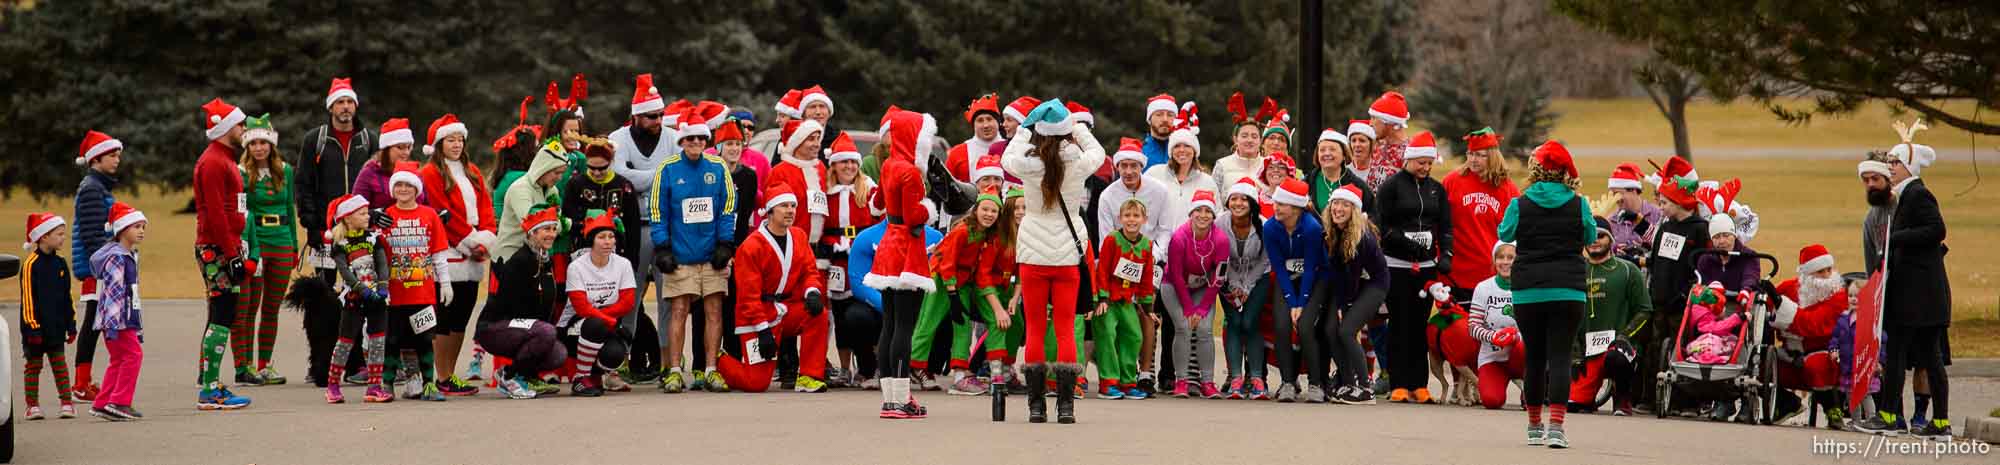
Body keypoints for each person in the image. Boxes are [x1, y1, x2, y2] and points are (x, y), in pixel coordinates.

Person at [1000, 100, 1105, 424]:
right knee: (1064, 330)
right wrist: (1076, 126)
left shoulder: (1028, 164)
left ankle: (1035, 407)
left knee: (1033, 328)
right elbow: (1099, 153)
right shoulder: (1078, 164)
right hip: (1066, 254)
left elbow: (1006, 158)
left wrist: (1025, 129)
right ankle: (1065, 407)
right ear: (1064, 133)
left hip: (1032, 252)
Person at [1495, 141, 1595, 449]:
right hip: (1568, 289)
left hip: (1529, 290)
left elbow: (1504, 234)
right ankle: (1557, 427)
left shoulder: (1520, 203)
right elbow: (1590, 237)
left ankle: (1534, 425)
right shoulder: (1579, 204)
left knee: (1535, 358)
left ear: (1536, 170)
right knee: (1561, 357)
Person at [1852, 142, 1953, 439]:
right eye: (1891, 161)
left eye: (1897, 161)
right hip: (1912, 294)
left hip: (1919, 295)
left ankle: (1910, 420)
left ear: (1911, 165)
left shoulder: (1918, 193)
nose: (1891, 165)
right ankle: (1930, 422)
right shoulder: (1904, 195)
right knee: (1910, 355)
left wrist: (1895, 238)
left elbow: (1937, 230)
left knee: (1917, 357)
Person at [648, 102, 737, 393]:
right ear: (682, 141)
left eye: (700, 138)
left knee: (714, 312)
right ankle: (674, 370)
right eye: (690, 139)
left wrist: (725, 243)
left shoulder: (718, 166)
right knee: (678, 311)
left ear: (706, 140)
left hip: (711, 255)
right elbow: (657, 210)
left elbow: (727, 207)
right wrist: (662, 248)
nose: (696, 143)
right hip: (680, 256)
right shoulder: (668, 169)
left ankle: (711, 369)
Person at [295, 79, 375, 388]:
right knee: (324, 300)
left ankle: (356, 361)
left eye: (349, 103)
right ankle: (320, 362)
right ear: (331, 107)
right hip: (325, 234)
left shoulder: (368, 139)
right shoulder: (315, 140)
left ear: (355, 106)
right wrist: (312, 224)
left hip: (360, 234)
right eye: (340, 103)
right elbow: (303, 184)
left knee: (360, 294)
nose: (345, 108)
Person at [716, 184, 833, 393]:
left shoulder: (798, 236)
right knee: (756, 383)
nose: (790, 210)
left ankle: (809, 375)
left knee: (818, 314)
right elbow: (748, 297)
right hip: (757, 316)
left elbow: (809, 272)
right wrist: (762, 331)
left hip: (787, 308)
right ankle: (720, 361)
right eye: (784, 206)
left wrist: (812, 291)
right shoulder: (751, 247)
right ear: (769, 211)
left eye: (793, 206)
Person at [417, 114, 496, 396]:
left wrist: (486, 239)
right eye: (451, 139)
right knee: (445, 317)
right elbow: (442, 213)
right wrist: (470, 241)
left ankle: (450, 375)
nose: (457, 144)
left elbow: (486, 208)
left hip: (473, 254)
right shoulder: (430, 174)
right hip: (449, 250)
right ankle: (442, 375)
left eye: (460, 139)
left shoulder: (471, 170)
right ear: (439, 143)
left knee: (462, 315)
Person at [1373, 130, 1450, 404]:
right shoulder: (1392, 187)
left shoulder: (1435, 189)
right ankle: (1399, 383)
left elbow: (1444, 225)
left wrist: (1446, 253)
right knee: (1399, 323)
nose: (1426, 168)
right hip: (1397, 264)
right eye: (1421, 162)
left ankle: (1420, 384)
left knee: (1419, 325)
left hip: (1426, 266)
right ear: (1410, 159)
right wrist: (1405, 241)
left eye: (1429, 163)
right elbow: (1382, 225)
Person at [911, 185, 1009, 395]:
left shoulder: (988, 235)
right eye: (985, 209)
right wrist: (952, 293)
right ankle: (913, 366)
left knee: (963, 327)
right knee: (928, 322)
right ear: (976, 210)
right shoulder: (962, 230)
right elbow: (947, 262)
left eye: (994, 211)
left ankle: (959, 373)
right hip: (942, 280)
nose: (989, 214)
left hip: (963, 281)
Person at [191, 98, 255, 411]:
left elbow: (233, 207)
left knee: (226, 313)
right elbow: (215, 213)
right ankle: (209, 389)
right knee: (222, 313)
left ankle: (212, 383)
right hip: (216, 248)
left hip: (226, 245)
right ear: (226, 127)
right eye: (241, 124)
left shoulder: (226, 158)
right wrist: (230, 253)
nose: (244, 129)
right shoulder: (213, 162)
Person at [228, 115, 297, 387]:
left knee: (271, 308)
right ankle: (244, 366)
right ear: (247, 146)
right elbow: (243, 211)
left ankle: (264, 364)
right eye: (253, 143)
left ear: (272, 145)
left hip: (280, 239)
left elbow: (289, 208)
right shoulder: (241, 172)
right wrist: (249, 247)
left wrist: (293, 245)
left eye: (263, 143)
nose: (259, 148)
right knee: (249, 307)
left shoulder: (285, 170)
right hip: (256, 241)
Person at [475, 206, 569, 399]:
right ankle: (508, 375)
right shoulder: (520, 261)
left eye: (553, 229)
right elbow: (509, 305)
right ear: (532, 233)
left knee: (558, 352)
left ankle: (528, 375)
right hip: (494, 327)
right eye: (546, 230)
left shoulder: (544, 260)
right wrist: (537, 325)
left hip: (524, 326)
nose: (551, 234)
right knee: (545, 332)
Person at [379, 168, 454, 402]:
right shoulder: (385, 216)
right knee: (392, 340)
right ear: (392, 189)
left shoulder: (430, 215)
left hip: (422, 293)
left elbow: (439, 254)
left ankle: (429, 384)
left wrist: (446, 284)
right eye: (399, 185)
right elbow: (375, 253)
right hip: (394, 293)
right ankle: (387, 383)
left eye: (408, 185)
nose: (403, 190)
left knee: (423, 340)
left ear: (416, 190)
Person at [1637, 175, 1710, 411]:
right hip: (1660, 298)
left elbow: (1703, 265)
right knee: (1655, 348)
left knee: (1684, 348)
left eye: (1665, 203)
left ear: (1679, 203)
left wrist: (1689, 290)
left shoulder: (1699, 229)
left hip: (1684, 301)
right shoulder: (1666, 227)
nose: (1661, 207)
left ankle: (1686, 401)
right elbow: (1657, 260)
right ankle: (1649, 398)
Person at [1568, 217, 1651, 416]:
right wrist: (1575, 352)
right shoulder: (1575, 272)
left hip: (1620, 348)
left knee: (1616, 358)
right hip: (1586, 352)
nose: (1595, 240)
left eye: (1601, 236)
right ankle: (1587, 397)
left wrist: (1625, 337)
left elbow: (1645, 311)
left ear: (1611, 239)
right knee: (1573, 405)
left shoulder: (1628, 270)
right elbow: (1567, 314)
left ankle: (1622, 397)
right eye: (1590, 236)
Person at [317, 195, 393, 404]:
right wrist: (361, 289)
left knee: (378, 341)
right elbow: (345, 271)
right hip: (354, 298)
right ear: (348, 218)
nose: (367, 216)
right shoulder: (340, 244)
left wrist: (384, 287)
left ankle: (374, 386)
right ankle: (333, 385)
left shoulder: (373, 238)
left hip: (377, 296)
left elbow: (382, 263)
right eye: (362, 213)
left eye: (367, 212)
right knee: (346, 341)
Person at [1320, 184, 1389, 405]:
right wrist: (1341, 304)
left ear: (1354, 210)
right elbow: (1339, 273)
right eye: (1335, 204)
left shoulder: (1360, 236)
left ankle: (1365, 388)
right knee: (1331, 330)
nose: (1338, 209)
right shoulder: (1334, 231)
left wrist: (1344, 306)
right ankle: (1348, 383)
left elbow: (1352, 276)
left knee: (1347, 331)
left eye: (1345, 205)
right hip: (1353, 286)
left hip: (1374, 285)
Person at [70, 130, 125, 400]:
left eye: (118, 155)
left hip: (101, 264)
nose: (117, 160)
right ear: (95, 159)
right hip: (98, 268)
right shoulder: (92, 188)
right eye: (112, 155)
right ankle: (81, 383)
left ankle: (85, 381)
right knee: (94, 324)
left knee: (97, 323)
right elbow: (93, 235)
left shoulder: (99, 186)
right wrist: (108, 264)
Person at [562, 211, 639, 397]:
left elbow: (627, 302)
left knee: (614, 355)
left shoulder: (623, 264)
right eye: (601, 237)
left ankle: (595, 375)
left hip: (604, 324)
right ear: (591, 240)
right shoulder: (577, 266)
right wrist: (611, 323)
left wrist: (607, 320)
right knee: (594, 323)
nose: (607, 242)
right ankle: (580, 379)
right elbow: (582, 308)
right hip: (574, 326)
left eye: (611, 237)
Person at [822, 136, 880, 386]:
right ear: (833, 165)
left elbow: (879, 225)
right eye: (843, 162)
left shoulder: (868, 190)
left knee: (866, 315)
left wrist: (862, 245)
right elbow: (818, 228)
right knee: (841, 316)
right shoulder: (825, 193)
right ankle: (845, 369)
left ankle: (873, 366)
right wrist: (831, 243)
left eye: (853, 162)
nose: (849, 167)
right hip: (836, 264)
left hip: (864, 262)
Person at [1441, 127, 1520, 306]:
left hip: (1493, 272)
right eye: (1470, 154)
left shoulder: (1506, 188)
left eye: (1479, 155)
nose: (1473, 160)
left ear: (1492, 156)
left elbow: (1516, 231)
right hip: (1457, 272)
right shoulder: (1452, 181)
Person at [1263, 178, 1324, 403]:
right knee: (1281, 325)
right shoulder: (1270, 227)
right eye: (1275, 202)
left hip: (1314, 280)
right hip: (1287, 279)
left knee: (1306, 326)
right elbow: (1278, 267)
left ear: (1296, 208)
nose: (1276, 207)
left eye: (1282, 204)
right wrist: (1291, 301)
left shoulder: (1311, 228)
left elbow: (1310, 268)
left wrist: (1301, 303)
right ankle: (1288, 382)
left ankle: (1316, 384)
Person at [1769, 244, 1846, 423]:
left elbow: (1813, 324)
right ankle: (1788, 403)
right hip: (1788, 354)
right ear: (1807, 275)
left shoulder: (1839, 297)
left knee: (1817, 367)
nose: (1827, 276)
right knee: (1757, 364)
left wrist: (1785, 312)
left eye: (1829, 270)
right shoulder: (1789, 288)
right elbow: (1766, 306)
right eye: (1820, 272)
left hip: (1823, 352)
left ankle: (1832, 409)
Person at [1163, 191, 1228, 399]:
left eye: (1208, 211)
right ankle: (1181, 381)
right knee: (1183, 327)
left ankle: (1207, 381)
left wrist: (1201, 308)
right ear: (1191, 214)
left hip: (1203, 286)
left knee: (1205, 330)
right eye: (1198, 210)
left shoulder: (1221, 240)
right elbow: (1175, 275)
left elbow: (1219, 277)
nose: (1203, 215)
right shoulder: (1179, 237)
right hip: (1174, 285)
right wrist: (1189, 309)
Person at [1090, 198, 1156, 400]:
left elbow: (1146, 276)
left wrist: (1147, 307)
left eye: (1136, 216)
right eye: (1127, 215)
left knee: (1134, 335)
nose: (1131, 220)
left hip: (1127, 300)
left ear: (1144, 219)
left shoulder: (1146, 245)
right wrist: (1101, 298)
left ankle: (1128, 381)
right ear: (1120, 219)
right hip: (1109, 300)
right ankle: (1108, 382)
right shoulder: (1112, 240)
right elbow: (1102, 270)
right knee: (1107, 334)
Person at [87, 203, 146, 421]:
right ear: (121, 230)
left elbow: (132, 294)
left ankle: (103, 403)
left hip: (125, 318)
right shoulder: (117, 257)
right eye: (136, 226)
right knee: (133, 356)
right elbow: (112, 293)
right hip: (117, 321)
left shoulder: (129, 255)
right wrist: (111, 324)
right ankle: (120, 402)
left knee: (119, 359)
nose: (141, 231)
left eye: (143, 227)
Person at [21, 213, 78, 420]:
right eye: (59, 234)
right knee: (33, 366)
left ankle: (66, 402)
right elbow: (28, 299)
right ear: (44, 236)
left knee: (60, 364)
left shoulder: (61, 264)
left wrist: (70, 324)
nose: (64, 238)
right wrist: (32, 327)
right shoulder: (30, 265)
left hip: (56, 326)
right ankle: (32, 405)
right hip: (34, 328)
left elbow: (66, 297)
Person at [1219, 178, 1272, 400]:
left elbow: (1265, 261)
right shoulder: (1220, 223)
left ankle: (1257, 378)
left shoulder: (1264, 224)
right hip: (1226, 280)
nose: (1238, 203)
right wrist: (1233, 285)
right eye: (1234, 198)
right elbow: (1220, 258)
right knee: (1234, 322)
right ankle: (1236, 378)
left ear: (1252, 203)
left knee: (1250, 322)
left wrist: (1247, 286)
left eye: (1244, 199)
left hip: (1257, 279)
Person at [1467, 242, 1523, 411]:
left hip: (1520, 354)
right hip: (1492, 357)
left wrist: (1515, 336)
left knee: (1522, 346)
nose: (1505, 262)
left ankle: (1526, 384)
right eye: (1500, 257)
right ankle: (1499, 381)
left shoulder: (1527, 287)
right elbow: (1472, 326)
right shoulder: (1483, 288)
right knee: (1491, 401)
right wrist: (1492, 336)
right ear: (1494, 260)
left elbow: (1537, 326)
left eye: (1511, 257)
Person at [1142, 121, 1216, 226]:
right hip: (1158, 240)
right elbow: (1138, 204)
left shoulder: (1207, 182)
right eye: (1176, 146)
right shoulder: (1154, 174)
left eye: (1187, 145)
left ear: (1194, 150)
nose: (1182, 150)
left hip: (1191, 241)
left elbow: (1216, 215)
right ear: (1171, 151)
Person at [352, 119, 423, 209]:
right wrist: (372, 215)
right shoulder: (369, 173)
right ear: (386, 149)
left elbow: (426, 205)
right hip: (382, 223)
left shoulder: (414, 172)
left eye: (408, 147)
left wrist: (438, 214)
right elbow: (356, 209)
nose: (406, 152)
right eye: (400, 147)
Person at [1603, 163, 1662, 263]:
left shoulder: (1658, 215)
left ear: (1634, 190)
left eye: (1618, 193)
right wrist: (1613, 251)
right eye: (1612, 194)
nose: (1615, 199)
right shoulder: (1611, 221)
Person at [1305, 129, 1372, 215]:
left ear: (1344, 155)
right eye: (1322, 150)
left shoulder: (1358, 185)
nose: (1327, 153)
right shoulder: (1307, 182)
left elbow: (1374, 215)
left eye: (1332, 149)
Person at [947, 94, 1006, 185]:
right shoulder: (957, 153)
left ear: (998, 122)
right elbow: (946, 185)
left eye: (989, 119)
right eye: (980, 120)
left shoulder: (1011, 148)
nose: (985, 125)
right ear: (973, 125)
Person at [1212, 100, 1266, 193]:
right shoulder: (1222, 165)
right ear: (1235, 139)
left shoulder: (1268, 166)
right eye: (1244, 136)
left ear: (1260, 141)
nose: (1249, 140)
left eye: (1254, 136)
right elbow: (1214, 198)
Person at [1366, 91, 1413, 184]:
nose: (1370, 123)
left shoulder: (1410, 154)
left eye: (1374, 118)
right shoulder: (1378, 145)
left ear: (1389, 122)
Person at [1346, 119, 1394, 189]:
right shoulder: (1344, 172)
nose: (1357, 145)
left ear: (1372, 145)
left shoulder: (1382, 173)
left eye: (1362, 141)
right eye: (1353, 140)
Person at [1141, 94, 1178, 168]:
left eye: (1170, 115)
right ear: (1149, 119)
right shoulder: (1139, 151)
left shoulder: (1184, 151)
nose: (1165, 119)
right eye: (1159, 114)